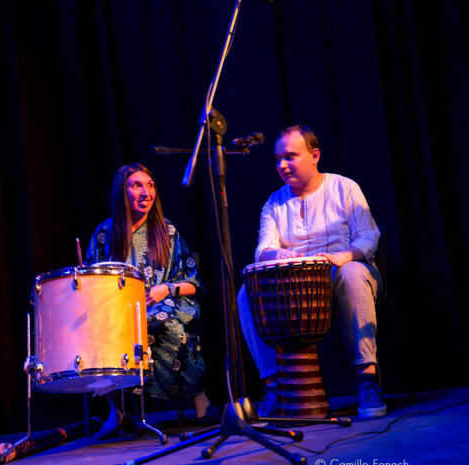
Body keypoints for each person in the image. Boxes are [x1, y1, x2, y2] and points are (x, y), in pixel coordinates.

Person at [237, 125, 387, 418]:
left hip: (342, 274)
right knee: (247, 293)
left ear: (314, 155)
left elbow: (369, 238)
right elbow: (263, 249)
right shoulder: (274, 203)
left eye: (290, 156)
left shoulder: (345, 188)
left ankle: (368, 381)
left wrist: (341, 258)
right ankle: (274, 389)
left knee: (353, 274)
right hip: (296, 285)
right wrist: (279, 253)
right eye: (278, 158)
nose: (282, 165)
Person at [86, 163, 219, 439]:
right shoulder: (105, 234)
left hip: (167, 302)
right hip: (118, 310)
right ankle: (119, 408)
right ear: (121, 192)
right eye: (137, 185)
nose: (146, 192)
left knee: (163, 322)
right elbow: (89, 282)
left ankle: (198, 397)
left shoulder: (167, 231)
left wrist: (166, 289)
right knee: (97, 330)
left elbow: (193, 284)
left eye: (150, 185)